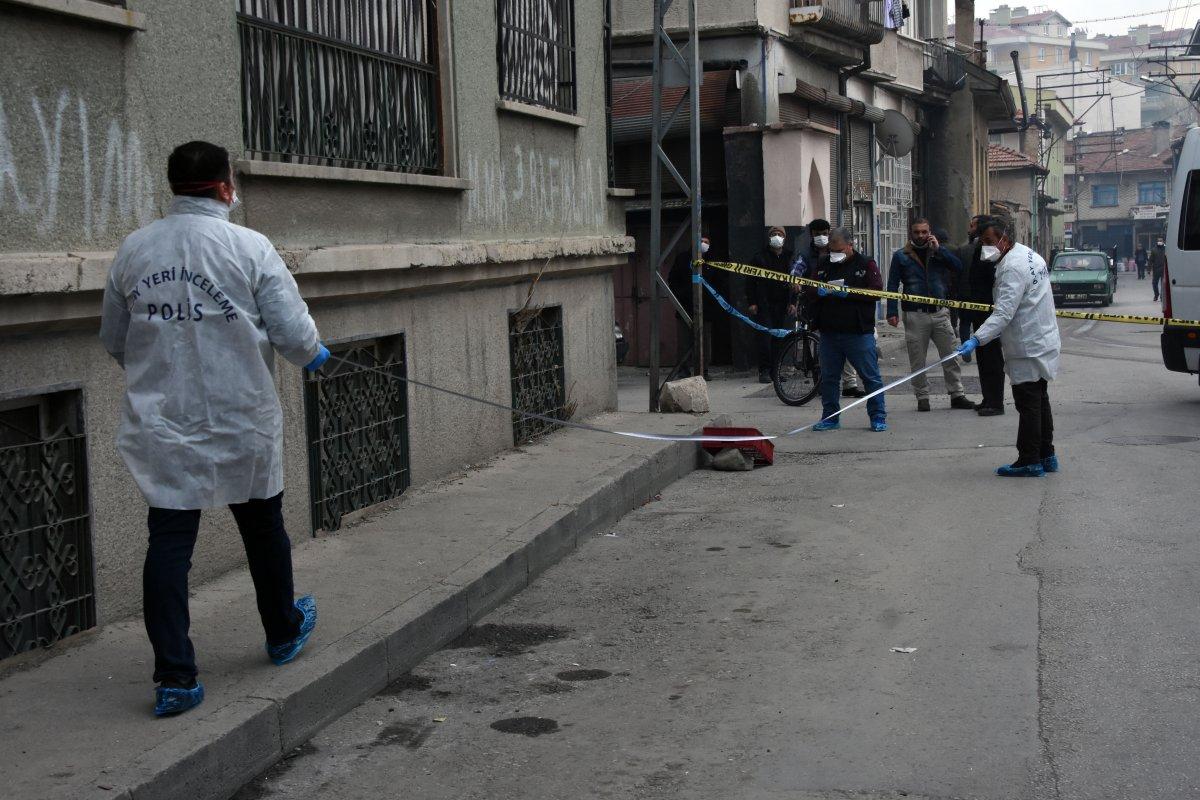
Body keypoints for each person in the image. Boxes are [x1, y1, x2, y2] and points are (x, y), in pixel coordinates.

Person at [99, 141, 328, 717]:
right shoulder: (249, 247)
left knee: (170, 542)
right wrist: (317, 355)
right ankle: (281, 630)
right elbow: (295, 338)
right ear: (227, 187)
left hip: (165, 422)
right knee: (262, 526)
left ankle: (175, 677)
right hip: (239, 416)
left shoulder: (136, 249)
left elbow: (114, 339)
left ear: (173, 186)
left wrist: (162, 374)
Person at [959, 218, 1061, 477]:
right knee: (1040, 399)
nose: (986, 249)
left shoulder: (1011, 268)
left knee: (1028, 403)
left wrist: (977, 338)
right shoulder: (1029, 255)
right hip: (1043, 338)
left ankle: (1029, 460)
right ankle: (1047, 455)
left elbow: (1004, 313)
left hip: (1028, 344)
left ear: (1004, 239)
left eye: (990, 242)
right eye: (983, 243)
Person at [886, 218, 976, 412]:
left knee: (950, 355)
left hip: (940, 313)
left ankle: (957, 394)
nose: (921, 236)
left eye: (924, 232)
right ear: (911, 233)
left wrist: (939, 250)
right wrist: (891, 311)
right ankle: (922, 397)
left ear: (930, 232)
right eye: (917, 232)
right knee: (917, 359)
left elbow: (958, 267)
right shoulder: (901, 256)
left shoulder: (939, 252)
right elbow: (892, 284)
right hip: (915, 314)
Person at [806, 227, 887, 432]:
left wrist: (849, 293)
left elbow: (876, 291)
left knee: (870, 377)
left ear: (850, 245)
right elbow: (810, 287)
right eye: (831, 250)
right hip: (829, 332)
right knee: (830, 378)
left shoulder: (866, 264)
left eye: (839, 250)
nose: (835, 254)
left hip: (858, 332)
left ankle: (878, 416)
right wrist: (818, 290)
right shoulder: (824, 264)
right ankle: (830, 417)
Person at [791, 219, 865, 397]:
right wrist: (797, 282)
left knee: (846, 345)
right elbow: (797, 270)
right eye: (817, 234)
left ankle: (850, 384)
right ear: (811, 234)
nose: (822, 237)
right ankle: (822, 382)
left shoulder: (846, 254)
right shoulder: (806, 254)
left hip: (844, 305)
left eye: (825, 233)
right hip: (817, 306)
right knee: (823, 347)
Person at [959, 215, 1007, 416]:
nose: (970, 229)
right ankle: (987, 398)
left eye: (974, 227)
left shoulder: (993, 251)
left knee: (993, 360)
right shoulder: (978, 247)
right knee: (984, 359)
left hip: (990, 312)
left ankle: (996, 403)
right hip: (978, 310)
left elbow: (992, 279)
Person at [749, 226, 795, 383]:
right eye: (774, 234)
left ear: (785, 237)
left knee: (778, 340)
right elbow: (750, 282)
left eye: (780, 234)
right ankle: (764, 371)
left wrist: (792, 302)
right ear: (769, 238)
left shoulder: (790, 257)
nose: (777, 237)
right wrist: (753, 302)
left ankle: (776, 371)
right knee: (765, 339)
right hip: (764, 304)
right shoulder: (759, 258)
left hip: (782, 304)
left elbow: (795, 280)